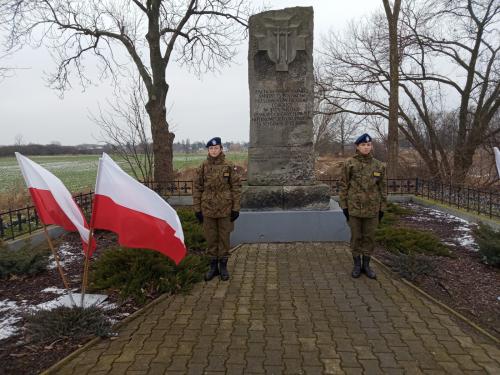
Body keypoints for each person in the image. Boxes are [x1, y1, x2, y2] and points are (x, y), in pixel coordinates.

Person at [193, 137, 242, 281]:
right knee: (211, 239)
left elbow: (236, 188)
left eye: (216, 148)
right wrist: (197, 209)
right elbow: (197, 189)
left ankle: (223, 266)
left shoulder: (228, 166)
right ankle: (213, 267)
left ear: (221, 149)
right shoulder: (203, 167)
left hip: (225, 210)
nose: (213, 151)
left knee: (224, 239)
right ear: (208, 150)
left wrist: (236, 208)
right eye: (211, 148)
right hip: (207, 209)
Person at [339, 133, 387, 279]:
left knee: (369, 238)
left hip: (372, 209)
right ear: (357, 147)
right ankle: (357, 265)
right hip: (354, 209)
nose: (366, 147)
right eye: (363, 145)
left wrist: (382, 208)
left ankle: (366, 265)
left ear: (371, 146)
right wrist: (345, 207)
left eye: (368, 145)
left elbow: (383, 188)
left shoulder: (379, 165)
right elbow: (343, 186)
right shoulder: (349, 164)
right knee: (356, 237)